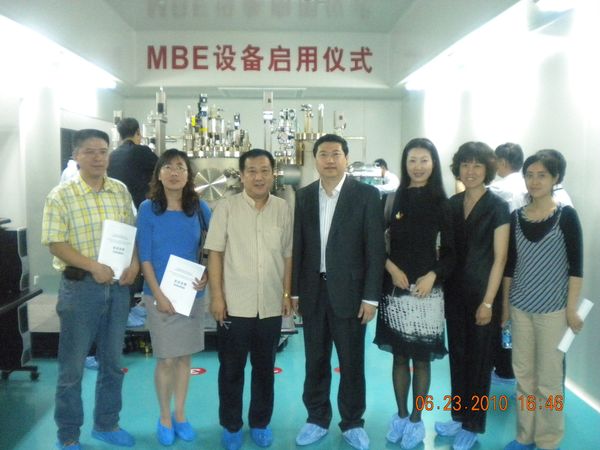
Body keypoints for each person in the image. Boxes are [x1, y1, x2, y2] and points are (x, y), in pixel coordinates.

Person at [41, 129, 139, 450]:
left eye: (103, 151)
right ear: (76, 156)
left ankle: (107, 424)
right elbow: (55, 242)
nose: (98, 158)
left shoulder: (119, 191)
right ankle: (68, 435)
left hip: (118, 290)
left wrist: (134, 263)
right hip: (80, 289)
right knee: (72, 368)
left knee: (112, 363)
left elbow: (130, 232)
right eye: (90, 152)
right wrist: (93, 266)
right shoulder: (61, 195)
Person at [293, 134, 386, 450]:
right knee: (315, 361)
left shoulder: (367, 195)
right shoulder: (304, 196)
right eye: (323, 154)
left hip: (351, 294)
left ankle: (352, 422)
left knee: (351, 362)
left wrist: (370, 297)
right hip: (313, 293)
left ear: (346, 158)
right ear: (315, 160)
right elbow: (299, 246)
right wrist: (295, 293)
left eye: (336, 153)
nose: (330, 160)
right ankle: (316, 419)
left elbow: (375, 250)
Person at [204, 148, 293, 450]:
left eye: (264, 171)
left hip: (269, 304)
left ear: (273, 174)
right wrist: (217, 297)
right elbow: (215, 253)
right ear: (242, 175)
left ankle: (260, 422)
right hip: (234, 304)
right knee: (231, 369)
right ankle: (231, 425)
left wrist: (286, 294)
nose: (258, 177)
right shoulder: (226, 208)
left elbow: (288, 255)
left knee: (265, 368)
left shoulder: (282, 208)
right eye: (252, 171)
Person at [374, 138, 455, 449]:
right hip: (395, 290)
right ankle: (400, 415)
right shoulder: (392, 200)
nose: (418, 167)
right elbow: (376, 243)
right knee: (399, 357)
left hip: (427, 293)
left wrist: (433, 276)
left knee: (421, 360)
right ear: (404, 164)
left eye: (424, 160)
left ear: (433, 164)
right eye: (412, 160)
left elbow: (451, 254)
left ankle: (417, 421)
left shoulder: (444, 204)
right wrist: (390, 267)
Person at [502, 150, 583, 450]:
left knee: (549, 380)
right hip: (520, 309)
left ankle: (548, 440)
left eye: (542, 175)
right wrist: (505, 308)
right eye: (530, 175)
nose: (534, 181)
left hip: (553, 312)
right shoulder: (516, 217)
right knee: (523, 376)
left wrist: (571, 309)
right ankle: (525, 436)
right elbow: (510, 268)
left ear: (555, 178)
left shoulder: (566, 217)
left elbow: (576, 268)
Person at [435, 141, 510, 450]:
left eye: (478, 165)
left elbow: (500, 258)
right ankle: (458, 415)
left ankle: (473, 424)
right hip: (454, 294)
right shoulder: (452, 205)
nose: (471, 171)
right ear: (458, 168)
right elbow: (446, 252)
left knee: (479, 362)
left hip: (483, 295)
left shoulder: (498, 207)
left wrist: (489, 302)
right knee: (458, 356)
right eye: (466, 164)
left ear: (487, 170)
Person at [135, 149, 211, 446]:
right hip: (159, 295)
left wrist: (207, 274)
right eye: (167, 167)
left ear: (188, 174)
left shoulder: (200, 208)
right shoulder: (148, 209)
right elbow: (144, 256)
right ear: (159, 174)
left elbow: (212, 248)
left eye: (180, 166)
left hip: (191, 294)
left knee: (183, 357)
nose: (174, 172)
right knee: (166, 358)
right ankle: (164, 416)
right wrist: (159, 295)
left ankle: (180, 414)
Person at [488, 142, 526, 383]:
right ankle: (512, 368)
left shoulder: (501, 187)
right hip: (525, 261)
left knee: (502, 312)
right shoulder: (525, 185)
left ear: (501, 162)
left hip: (505, 256)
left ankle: (503, 367)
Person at [108, 117, 158, 210]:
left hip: (116, 205)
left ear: (120, 135)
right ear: (138, 131)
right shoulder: (143, 152)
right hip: (139, 206)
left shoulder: (112, 155)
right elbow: (162, 170)